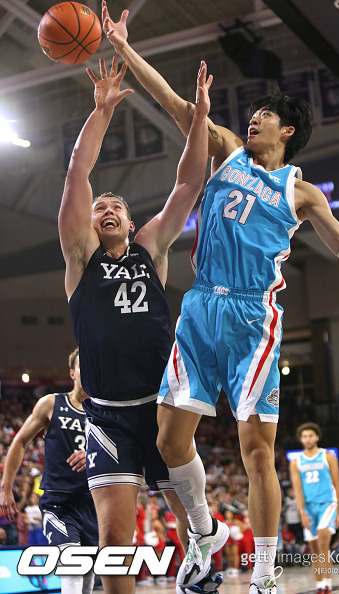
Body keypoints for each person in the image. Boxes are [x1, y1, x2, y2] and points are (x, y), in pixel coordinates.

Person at [101, 3, 339, 593]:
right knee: (167, 439)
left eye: (263, 116)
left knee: (257, 449)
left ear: (285, 131)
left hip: (253, 316)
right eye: (254, 114)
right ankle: (205, 529)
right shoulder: (228, 151)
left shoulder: (302, 192)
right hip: (201, 308)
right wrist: (123, 49)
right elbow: (176, 105)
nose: (252, 120)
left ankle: (263, 573)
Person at [58, 53, 215, 594]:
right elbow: (78, 174)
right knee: (115, 542)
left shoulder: (151, 247)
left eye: (116, 206)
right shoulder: (80, 260)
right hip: (107, 416)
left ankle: (201, 557)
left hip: (161, 404)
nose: (106, 209)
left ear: (130, 221)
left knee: (185, 509)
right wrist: (100, 112)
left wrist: (199, 119)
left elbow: (189, 184)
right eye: (99, 206)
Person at [0, 348, 98, 594]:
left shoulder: (104, 412)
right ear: (72, 373)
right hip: (60, 501)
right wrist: (5, 487)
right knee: (72, 566)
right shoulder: (52, 403)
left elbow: (124, 454)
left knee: (87, 579)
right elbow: (21, 441)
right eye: (82, 366)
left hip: (95, 503)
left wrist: (94, 457)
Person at [289, 423, 339, 594]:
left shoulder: (328, 456)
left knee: (323, 542)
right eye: (304, 436)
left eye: (311, 435)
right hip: (309, 507)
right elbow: (297, 490)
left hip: (328, 504)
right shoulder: (296, 462)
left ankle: (327, 583)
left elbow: (337, 485)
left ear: (317, 437)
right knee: (313, 548)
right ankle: (320, 585)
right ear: (300, 439)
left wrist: (338, 511)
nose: (308, 439)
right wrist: (302, 512)